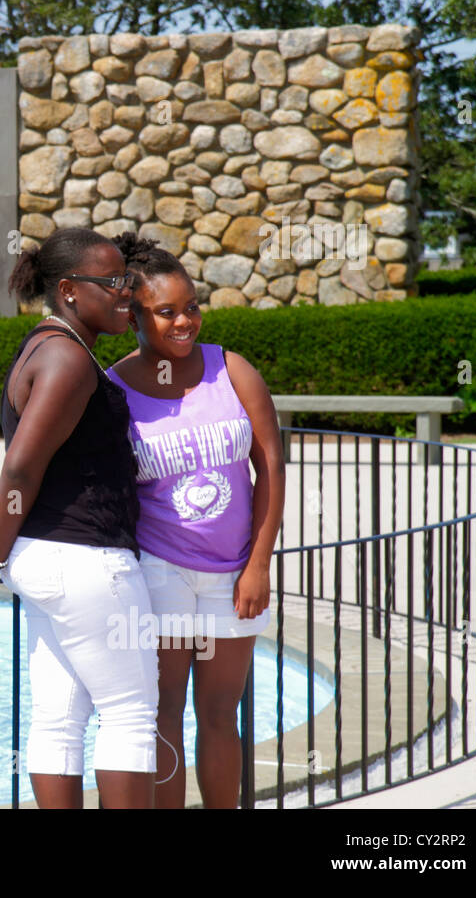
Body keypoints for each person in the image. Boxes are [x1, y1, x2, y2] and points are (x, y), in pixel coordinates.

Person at [0, 227, 159, 809]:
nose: (128, 293)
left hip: (48, 563)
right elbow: (20, 468)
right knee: (128, 715)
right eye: (114, 283)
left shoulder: (47, 344)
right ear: (70, 289)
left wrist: (5, 556)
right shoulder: (67, 359)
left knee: (58, 720)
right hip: (88, 563)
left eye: (128, 279)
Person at [105, 232, 286, 809]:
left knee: (219, 714)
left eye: (191, 307)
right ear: (133, 315)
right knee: (164, 713)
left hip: (234, 575)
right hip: (160, 573)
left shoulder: (231, 369)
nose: (184, 322)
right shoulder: (112, 390)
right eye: (166, 312)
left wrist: (258, 564)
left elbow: (271, 468)